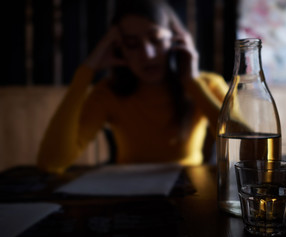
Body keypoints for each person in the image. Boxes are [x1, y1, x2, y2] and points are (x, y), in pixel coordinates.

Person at [37, 0, 229, 174]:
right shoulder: (108, 92)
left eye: (156, 39)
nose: (147, 53)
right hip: (129, 194)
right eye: (132, 44)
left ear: (177, 40)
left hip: (192, 191)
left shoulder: (207, 84)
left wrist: (192, 82)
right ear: (119, 48)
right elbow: (52, 162)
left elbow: (248, 153)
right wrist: (86, 72)